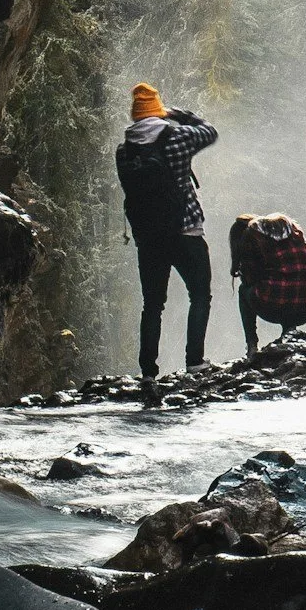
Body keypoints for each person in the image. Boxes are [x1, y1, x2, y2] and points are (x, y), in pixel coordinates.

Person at [115, 82, 218, 397]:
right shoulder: (177, 137)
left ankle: (148, 373)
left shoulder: (124, 150)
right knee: (199, 295)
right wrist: (178, 114)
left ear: (135, 116)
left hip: (149, 238)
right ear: (158, 110)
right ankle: (195, 362)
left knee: (153, 305)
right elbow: (209, 131)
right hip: (185, 230)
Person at [229, 213, 306, 357]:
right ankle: (289, 333)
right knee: (291, 288)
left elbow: (249, 277)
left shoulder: (250, 235)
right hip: (304, 309)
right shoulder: (293, 230)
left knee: (244, 291)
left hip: (273, 307)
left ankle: (252, 345)